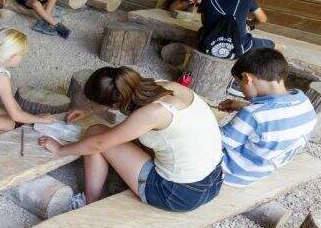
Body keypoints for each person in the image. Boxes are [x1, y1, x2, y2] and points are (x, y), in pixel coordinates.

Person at [38, 67, 223, 212]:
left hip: (177, 194)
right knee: (124, 136)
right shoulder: (165, 87)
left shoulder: (152, 113)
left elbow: (98, 144)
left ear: (113, 104)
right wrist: (90, 110)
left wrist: (59, 149)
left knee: (95, 133)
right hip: (213, 180)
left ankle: (88, 200)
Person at [216, 48, 316, 187]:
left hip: (229, 173)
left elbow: (216, 142)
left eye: (239, 84)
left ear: (247, 78)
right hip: (259, 170)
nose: (240, 88)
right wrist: (242, 105)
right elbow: (275, 117)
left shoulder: (253, 115)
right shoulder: (304, 103)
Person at [198, 0, 272, 60]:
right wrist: (248, 24)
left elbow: (204, 22)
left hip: (207, 48)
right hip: (238, 50)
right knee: (270, 44)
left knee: (201, 31)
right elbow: (262, 19)